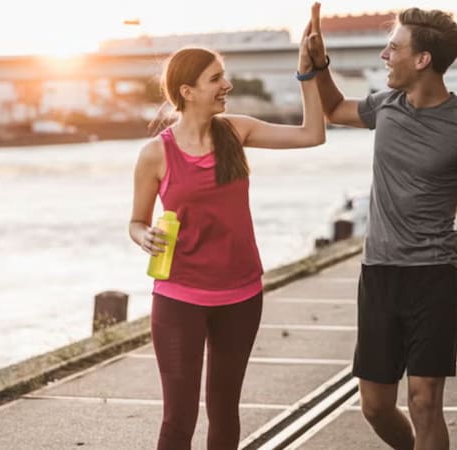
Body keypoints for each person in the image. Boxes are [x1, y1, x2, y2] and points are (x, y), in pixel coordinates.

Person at [306, 4, 457, 449]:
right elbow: (331, 108)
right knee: (374, 406)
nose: (385, 56)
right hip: (380, 274)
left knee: (425, 402)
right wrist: (318, 63)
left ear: (422, 59)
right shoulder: (386, 106)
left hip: (434, 276)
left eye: (394, 48)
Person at [128, 6, 327, 449]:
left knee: (224, 414)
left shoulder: (236, 132)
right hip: (179, 298)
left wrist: (307, 73)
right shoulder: (154, 155)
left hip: (241, 295)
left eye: (224, 75)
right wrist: (145, 236)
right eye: (216, 78)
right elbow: (136, 221)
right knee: (178, 420)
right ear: (188, 91)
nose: (227, 85)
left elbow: (313, 134)